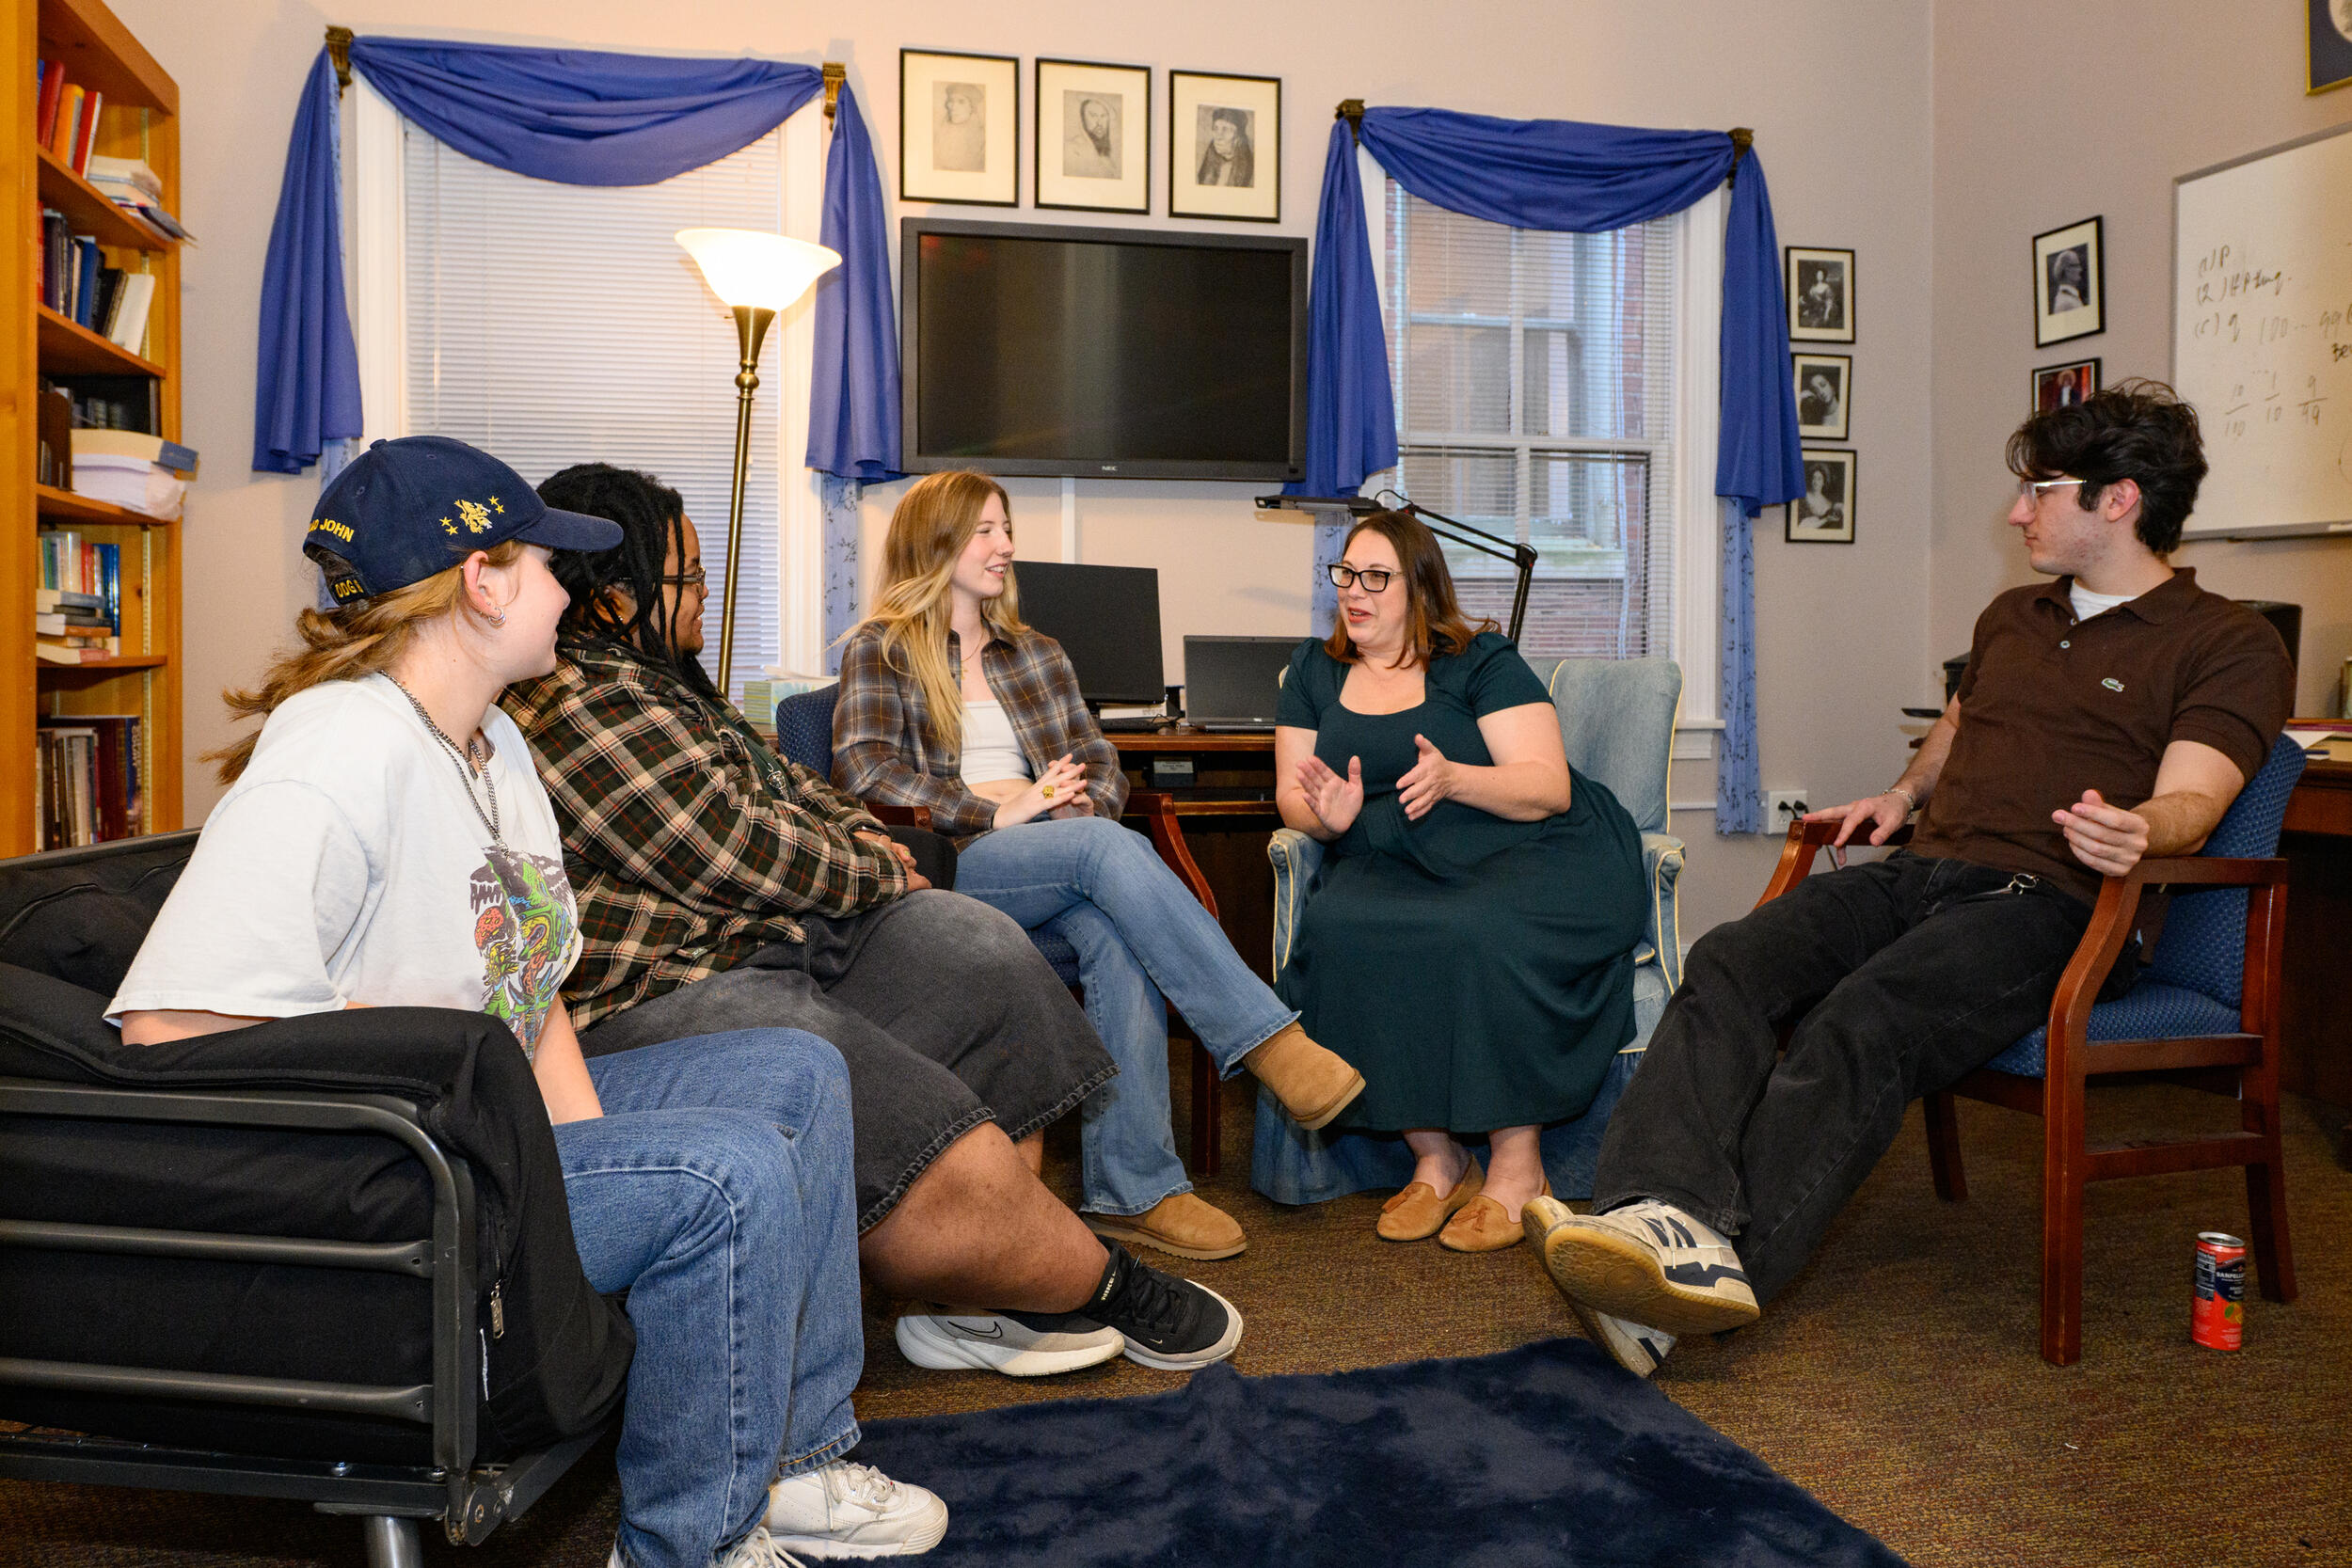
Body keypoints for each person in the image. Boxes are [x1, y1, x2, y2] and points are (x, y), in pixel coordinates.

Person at [104, 436, 947, 1568]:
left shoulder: (494, 741)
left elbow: (533, 993)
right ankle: (687, 1543)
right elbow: (169, 1031)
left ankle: (791, 1459)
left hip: (497, 1134)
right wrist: (634, 1177)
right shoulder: (335, 756)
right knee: (725, 1173)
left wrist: (603, 1184)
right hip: (402, 1176)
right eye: (552, 564)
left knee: (794, 1073)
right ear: (481, 581)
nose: (574, 589)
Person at [1524, 382, 2296, 1378]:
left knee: (1866, 1015)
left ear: (2119, 499)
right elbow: (1965, 723)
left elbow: (2197, 797)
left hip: (2050, 903)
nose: (2016, 512)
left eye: (2041, 491)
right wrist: (1900, 791)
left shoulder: (2225, 641)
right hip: (1922, 871)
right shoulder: (2014, 614)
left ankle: (1701, 1281)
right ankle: (1653, 1218)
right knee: (1729, 958)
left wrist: (2137, 826)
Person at [505, 463, 1244, 1379]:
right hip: (684, 980)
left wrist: (865, 842)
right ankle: (1092, 1278)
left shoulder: (669, 684)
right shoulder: (580, 697)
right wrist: (879, 854)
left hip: (795, 926)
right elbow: (734, 846)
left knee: (976, 946)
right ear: (616, 596)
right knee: (904, 1081)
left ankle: (981, 1291)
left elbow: (800, 788)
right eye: (688, 578)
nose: (703, 595)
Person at [833, 469, 1369, 1262]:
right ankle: (1267, 1042)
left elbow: (1102, 760)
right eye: (985, 529)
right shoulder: (883, 651)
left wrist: (1083, 801)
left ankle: (1135, 1188)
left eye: (1005, 527)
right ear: (935, 542)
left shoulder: (1035, 653)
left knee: (1110, 926)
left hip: (1057, 852)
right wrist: (999, 810)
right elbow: (866, 774)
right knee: (1102, 852)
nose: (1006, 545)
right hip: (953, 866)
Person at [1272, 511, 1646, 1252]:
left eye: (1377, 577)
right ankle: (1437, 1156)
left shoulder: (1478, 660)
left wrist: (1452, 778)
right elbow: (1292, 790)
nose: (1356, 592)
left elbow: (1547, 787)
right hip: (1388, 852)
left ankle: (1518, 1166)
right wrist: (1328, 817)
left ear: (1419, 588)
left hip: (1525, 844)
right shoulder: (1314, 671)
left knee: (1479, 929)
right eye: (1346, 574)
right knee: (1343, 929)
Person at [933, 83, 983, 174]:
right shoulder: (941, 131)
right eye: (951, 101)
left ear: (972, 107)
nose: (953, 107)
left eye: (961, 102)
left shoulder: (981, 136)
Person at [1063, 96, 1119, 178]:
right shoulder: (1071, 149)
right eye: (1093, 116)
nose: (1099, 123)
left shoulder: (1108, 159)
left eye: (1103, 116)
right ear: (1083, 119)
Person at [1196, 108, 1253, 187]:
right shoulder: (1207, 166)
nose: (1218, 136)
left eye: (1225, 129)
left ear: (1238, 138)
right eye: (1215, 128)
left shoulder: (1253, 171)